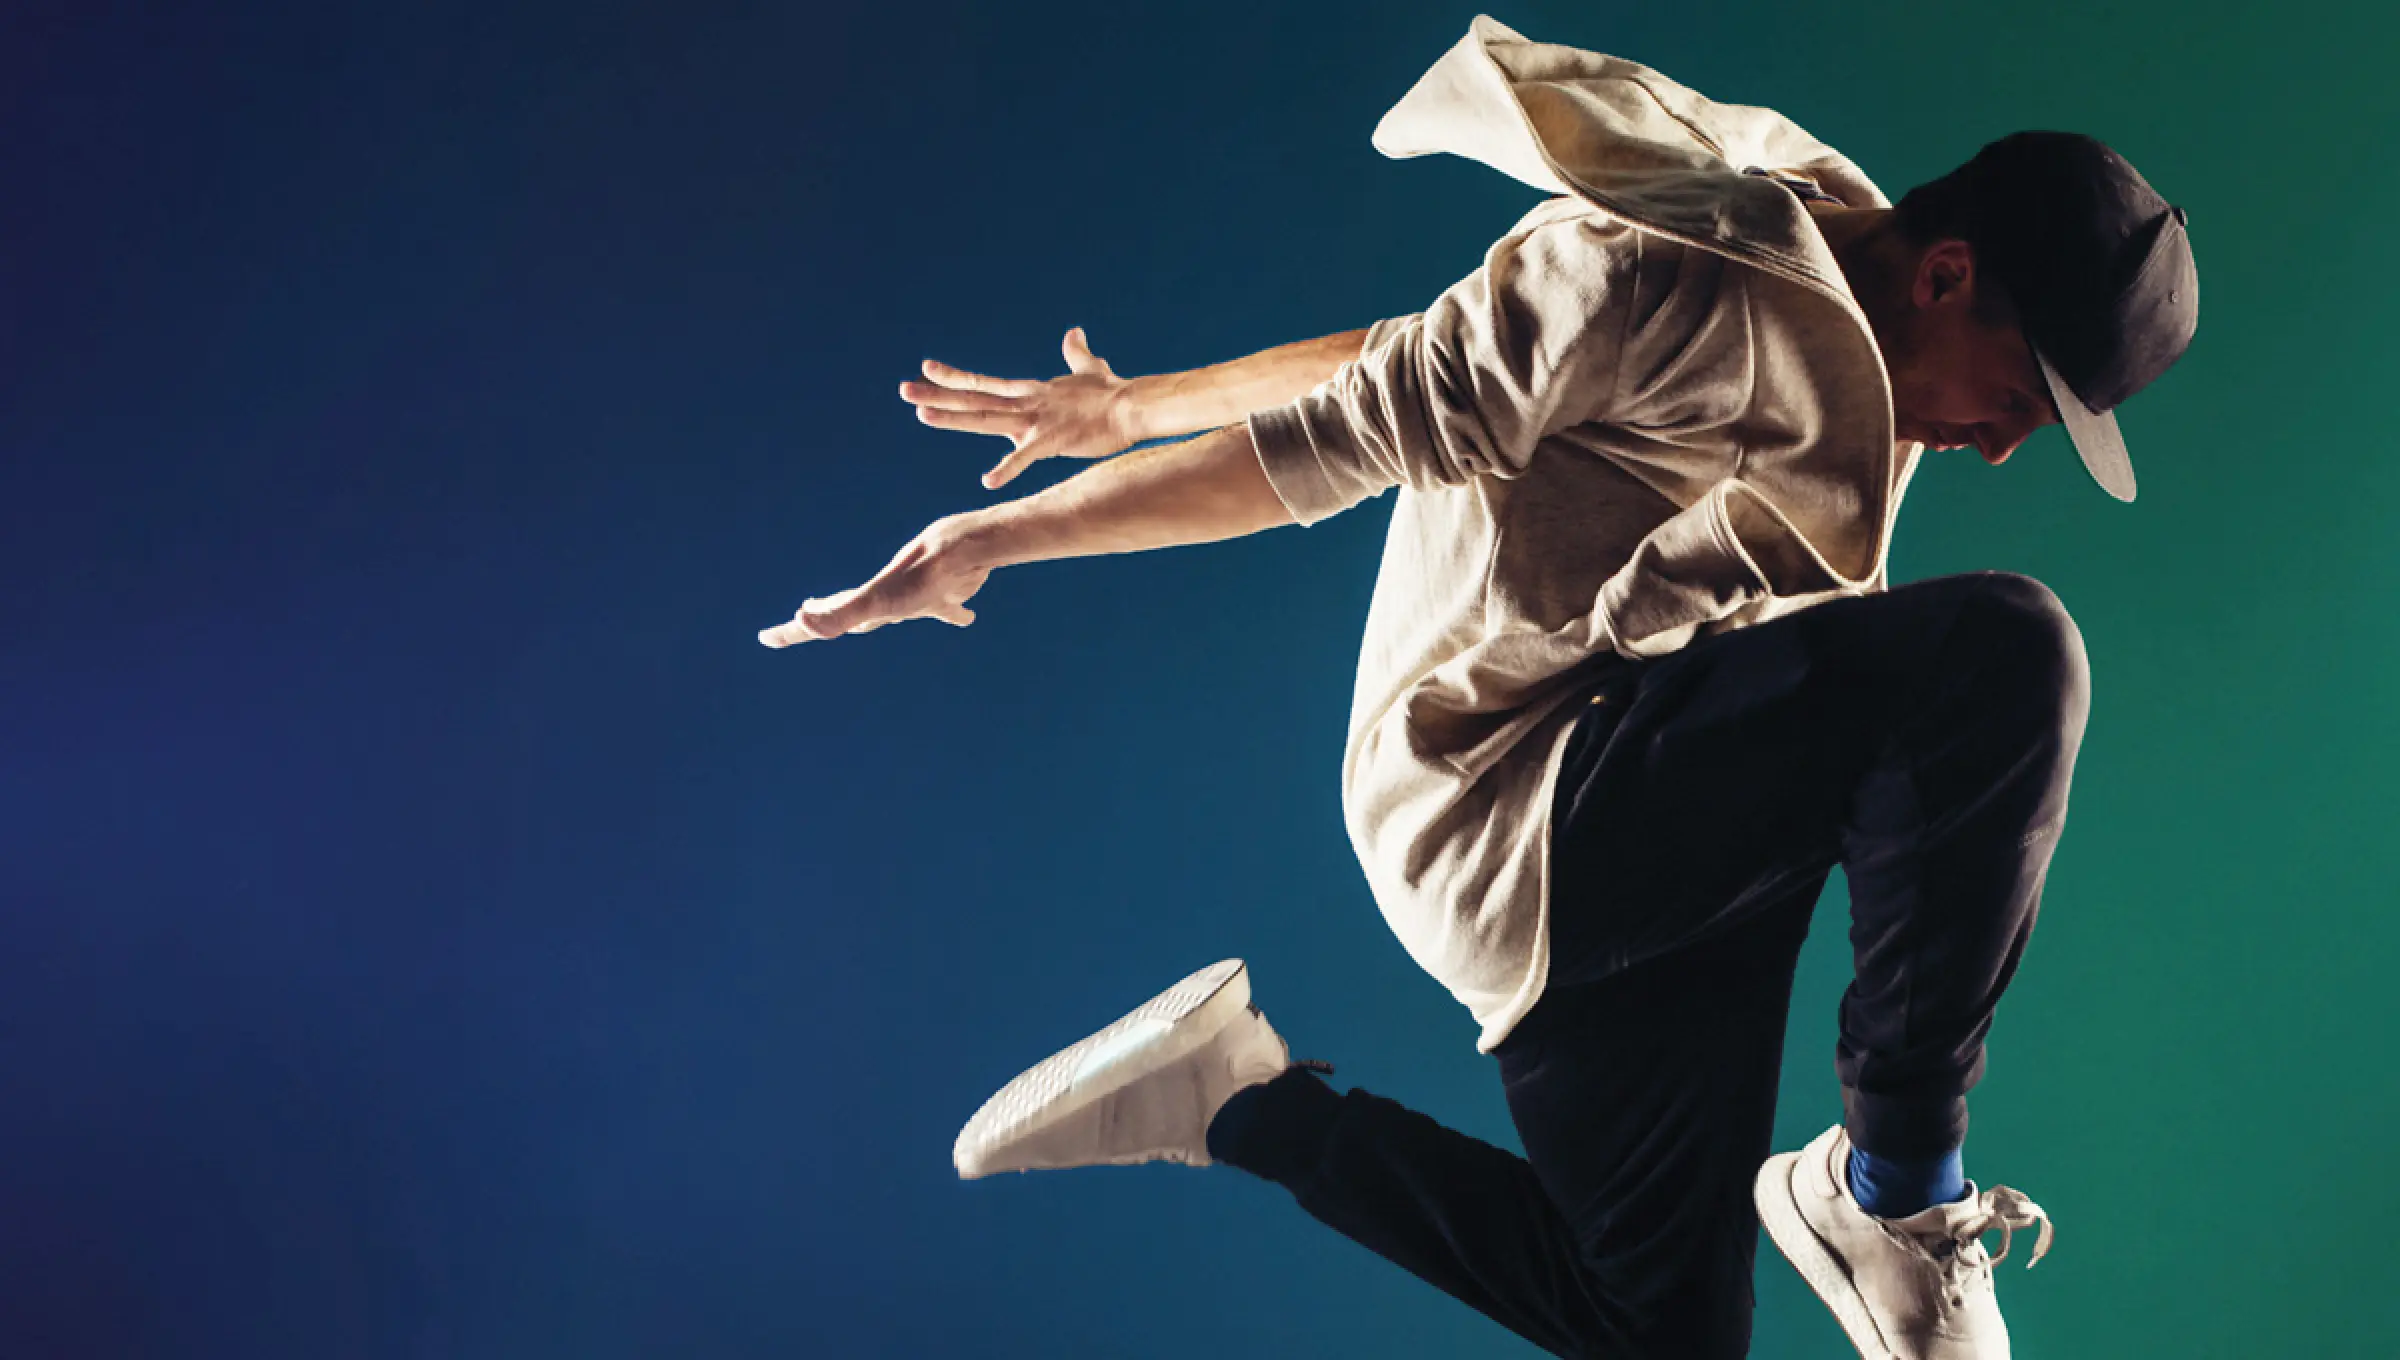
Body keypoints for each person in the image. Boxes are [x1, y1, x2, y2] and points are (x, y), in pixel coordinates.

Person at [760, 19, 2197, 1360]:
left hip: (1672, 816)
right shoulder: (1666, 272)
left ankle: (1237, 1102)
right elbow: (1339, 443)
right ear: (1947, 274)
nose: (2001, 449)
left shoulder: (1843, 268)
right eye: (2018, 398)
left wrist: (1132, 402)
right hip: (1524, 786)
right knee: (2009, 655)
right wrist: (989, 541)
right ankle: (1895, 1183)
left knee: (1656, 1328)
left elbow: (1411, 354)